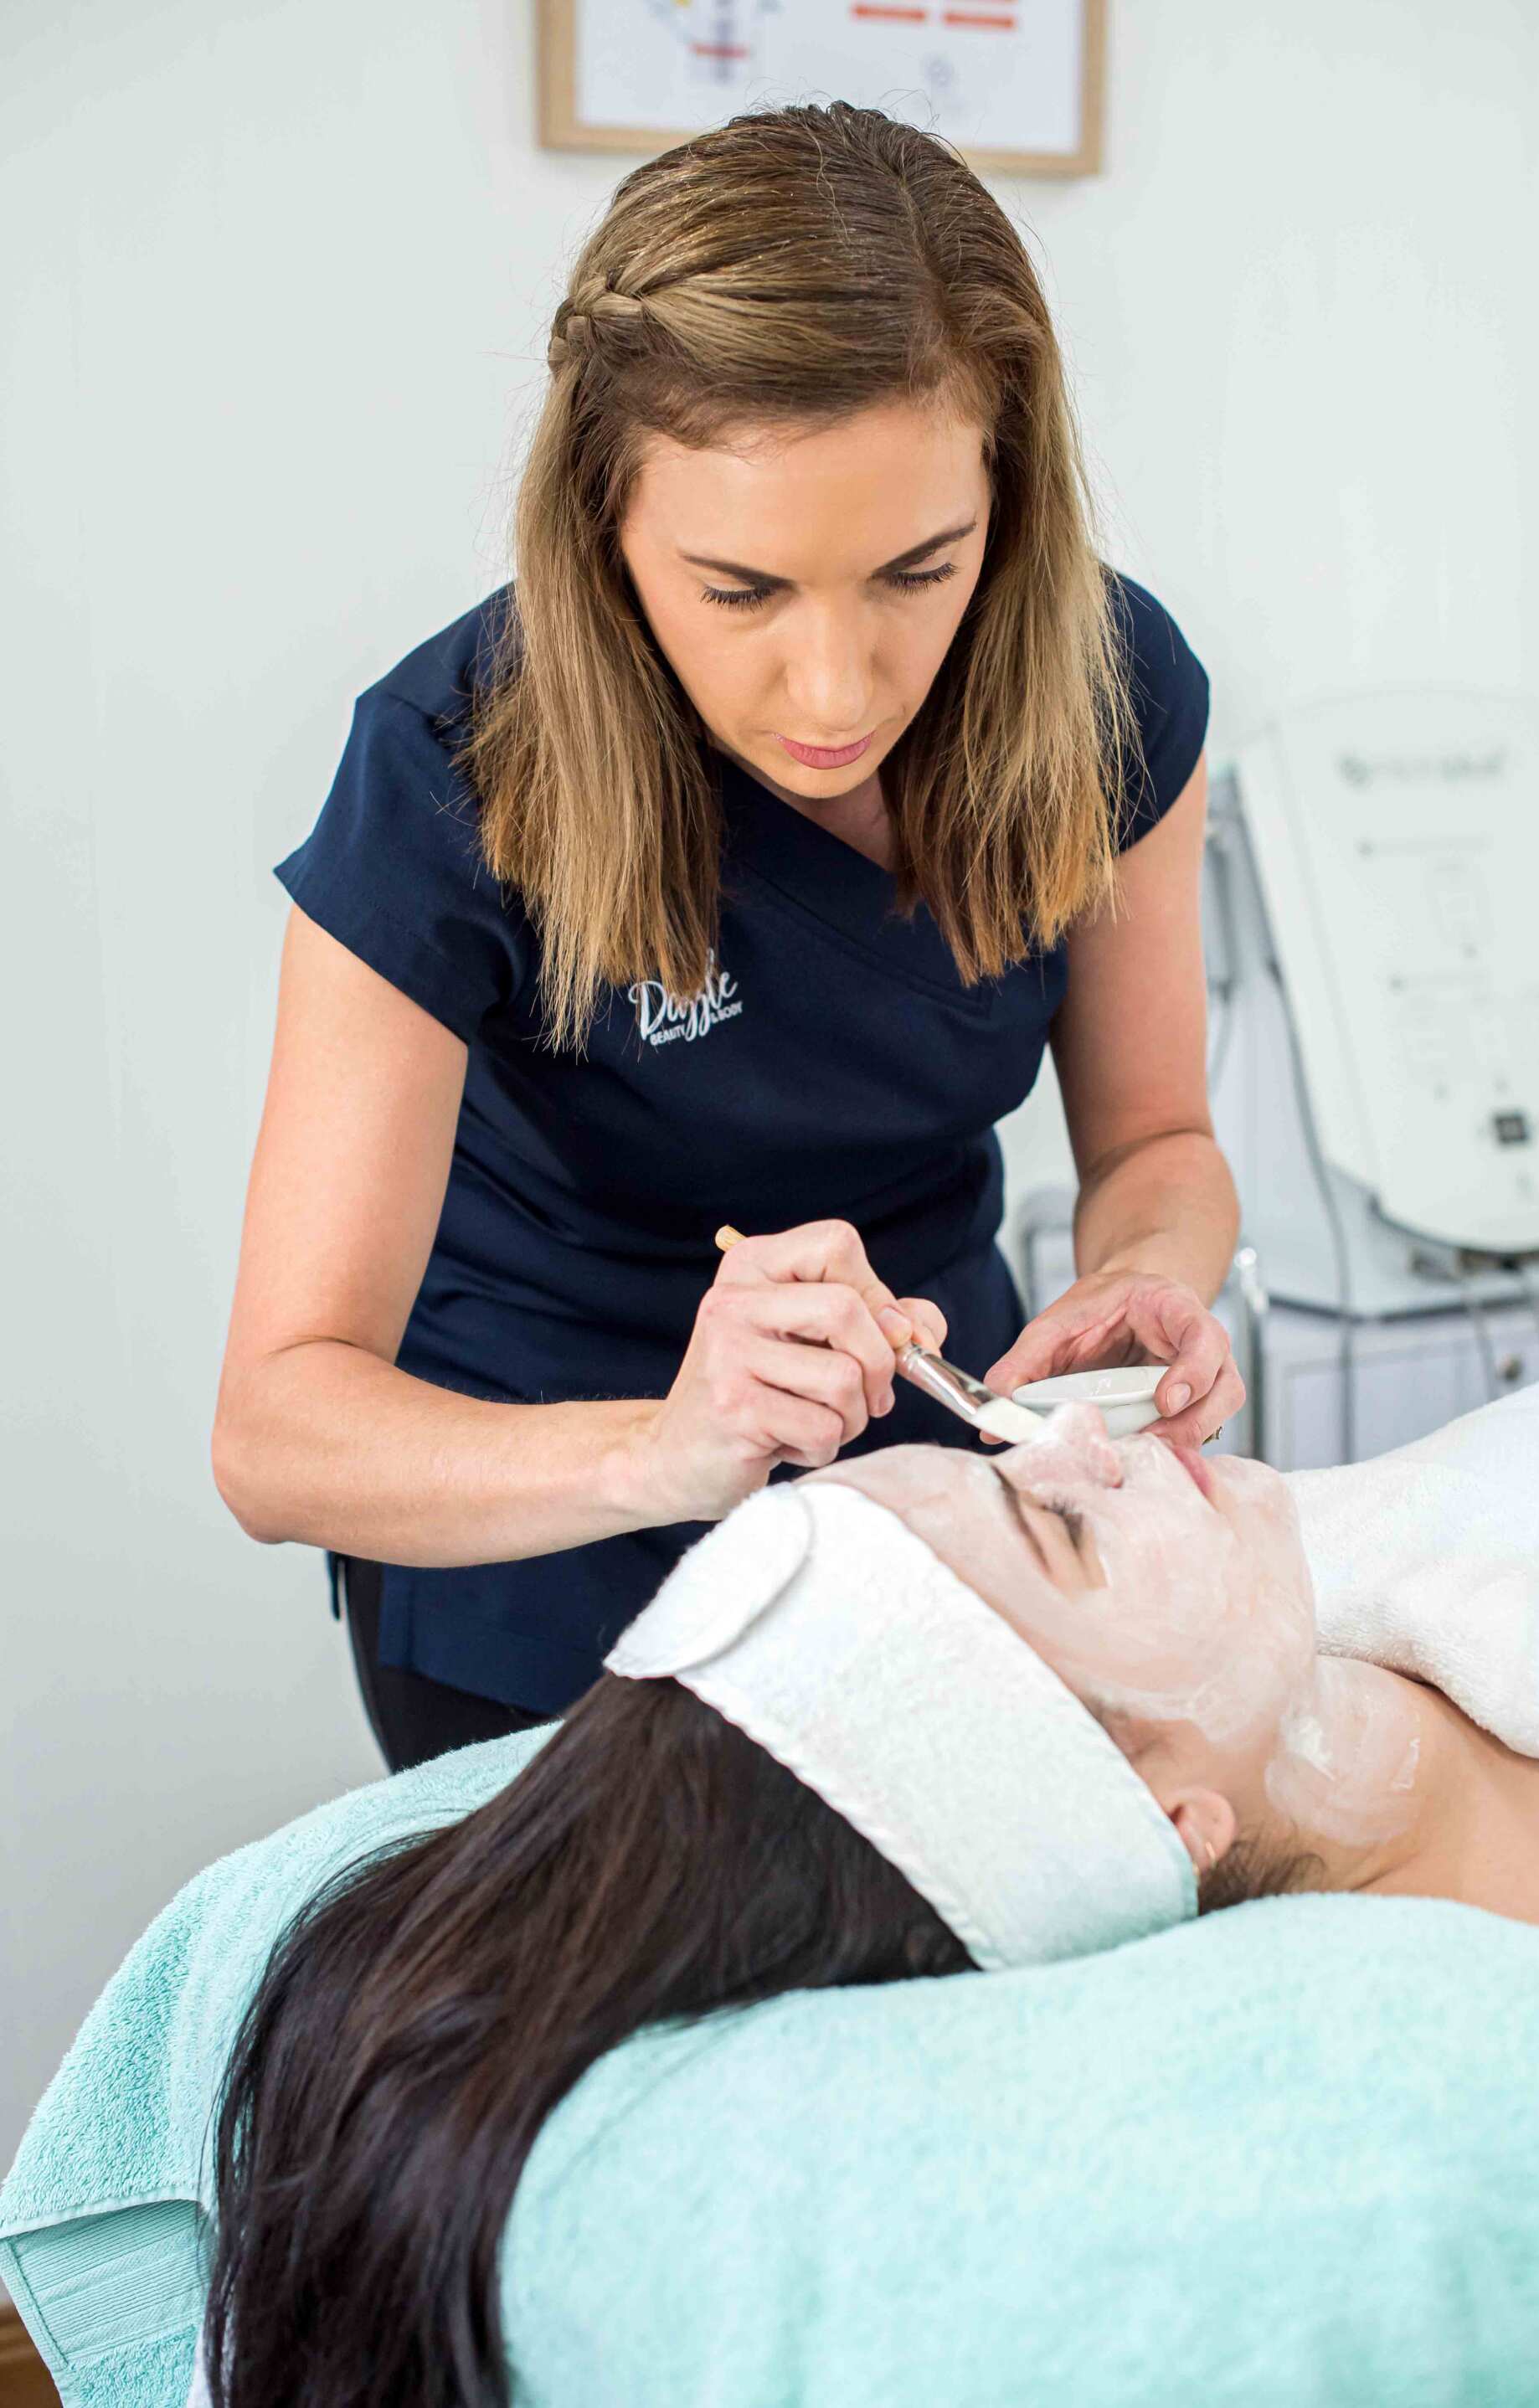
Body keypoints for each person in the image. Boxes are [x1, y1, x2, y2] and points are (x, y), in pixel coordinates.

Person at [210, 98, 1244, 1770]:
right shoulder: (444, 774)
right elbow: (273, 1428)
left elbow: (1161, 1139)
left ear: (1010, 506)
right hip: (542, 1535)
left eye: (921, 571)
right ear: (605, 533)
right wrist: (669, 1452)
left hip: (920, 1492)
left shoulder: (1108, 699)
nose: (835, 696)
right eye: (743, 591)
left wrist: (1141, 1283)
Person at [198, 1373, 1539, 2408]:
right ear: (1164, 1820)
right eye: (1058, 1530)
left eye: (996, 1459)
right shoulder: (1507, 1995)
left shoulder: (1378, 1573)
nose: (1074, 1437)